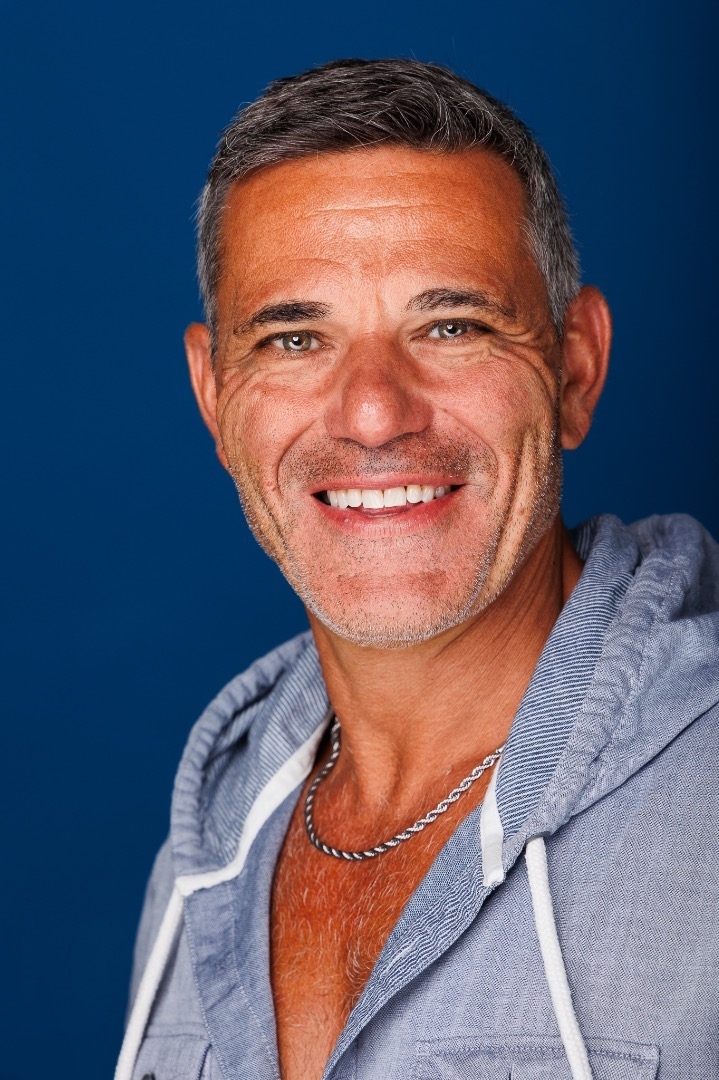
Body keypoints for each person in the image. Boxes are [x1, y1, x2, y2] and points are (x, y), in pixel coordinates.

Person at [116, 59, 719, 1080]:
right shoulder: (199, 859)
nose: (372, 412)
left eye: (451, 327)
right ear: (214, 397)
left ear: (574, 367)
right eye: (295, 338)